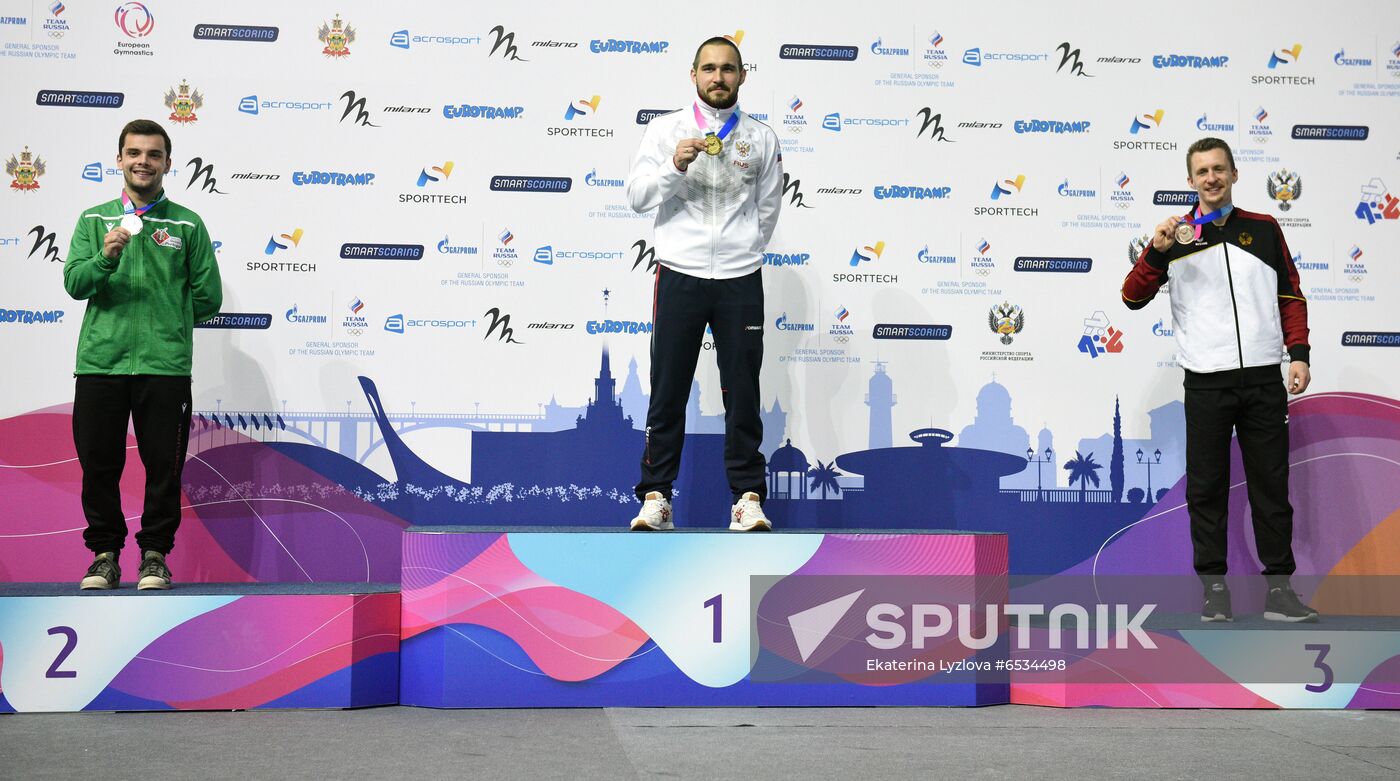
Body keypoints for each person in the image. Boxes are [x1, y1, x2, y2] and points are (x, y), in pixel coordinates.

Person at [1122, 137, 1317, 623]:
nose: (1211, 178)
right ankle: (1214, 591)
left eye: (1219, 169)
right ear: (1190, 181)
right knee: (1206, 490)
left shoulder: (1264, 229)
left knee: (1271, 488)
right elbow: (1130, 297)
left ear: (1233, 174)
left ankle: (1279, 593)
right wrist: (1154, 253)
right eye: (1202, 171)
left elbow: (1290, 297)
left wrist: (1299, 354)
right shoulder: (1177, 237)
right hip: (1206, 382)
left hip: (1262, 380)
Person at [624, 36, 783, 531]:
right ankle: (656, 496)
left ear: (742, 75)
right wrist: (675, 165)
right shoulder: (664, 130)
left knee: (743, 390)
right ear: (693, 75)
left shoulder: (760, 137)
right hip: (680, 272)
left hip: (739, 276)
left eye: (728, 69)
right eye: (709, 69)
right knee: (668, 389)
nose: (719, 77)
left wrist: (745, 248)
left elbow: (770, 206)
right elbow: (636, 197)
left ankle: (747, 498)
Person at [64, 119, 222, 590]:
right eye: (134, 153)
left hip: (164, 368)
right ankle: (104, 555)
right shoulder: (94, 221)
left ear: (167, 164)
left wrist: (168, 326)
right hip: (100, 364)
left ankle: (154, 555)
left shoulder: (187, 223)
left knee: (163, 467)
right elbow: (75, 283)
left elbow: (207, 297)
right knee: (99, 465)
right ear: (119, 160)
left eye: (153, 155)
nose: (143, 162)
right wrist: (105, 258)